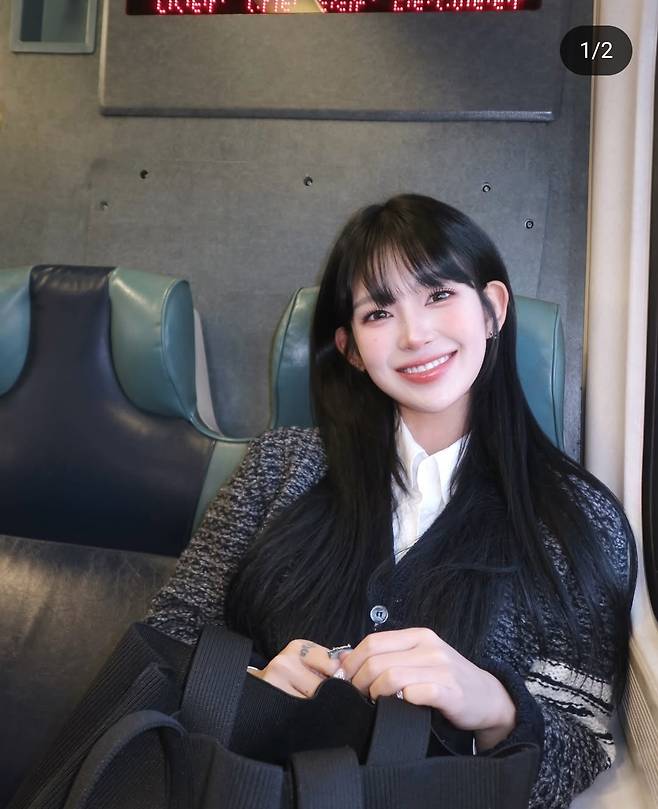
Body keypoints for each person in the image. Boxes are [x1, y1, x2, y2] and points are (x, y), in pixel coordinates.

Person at [146, 193, 636, 808]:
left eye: (439, 295)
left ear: (492, 309)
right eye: (379, 312)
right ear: (350, 348)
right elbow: (162, 646)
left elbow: (587, 742)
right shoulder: (278, 466)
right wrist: (244, 686)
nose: (415, 335)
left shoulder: (578, 517)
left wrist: (494, 706)